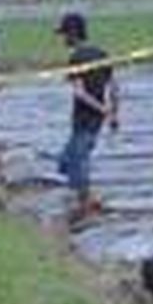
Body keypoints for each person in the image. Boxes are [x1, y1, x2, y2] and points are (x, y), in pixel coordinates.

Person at [56, 12, 119, 225]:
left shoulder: (75, 59)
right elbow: (114, 87)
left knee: (78, 163)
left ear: (73, 33)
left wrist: (104, 111)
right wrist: (113, 113)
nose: (63, 39)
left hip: (85, 119)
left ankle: (87, 205)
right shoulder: (102, 54)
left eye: (64, 34)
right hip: (95, 120)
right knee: (65, 162)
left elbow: (79, 93)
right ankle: (84, 200)